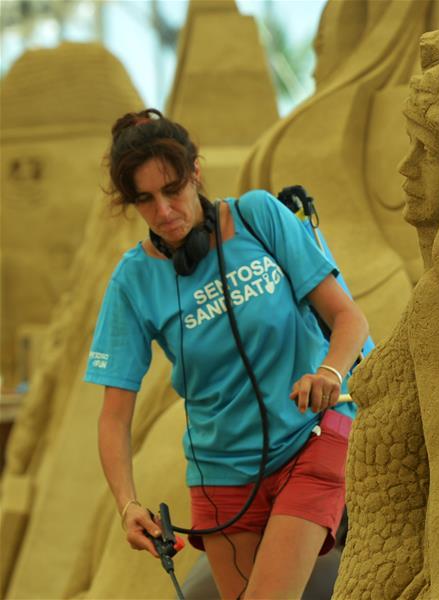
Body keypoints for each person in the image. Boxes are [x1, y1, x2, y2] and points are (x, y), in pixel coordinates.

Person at [86, 108, 369, 599]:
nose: (165, 212)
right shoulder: (132, 281)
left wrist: (328, 371)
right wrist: (127, 504)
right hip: (219, 476)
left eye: (173, 190)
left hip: (312, 437)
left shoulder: (260, 217)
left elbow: (349, 318)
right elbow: (114, 418)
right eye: (145, 200)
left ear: (196, 172)